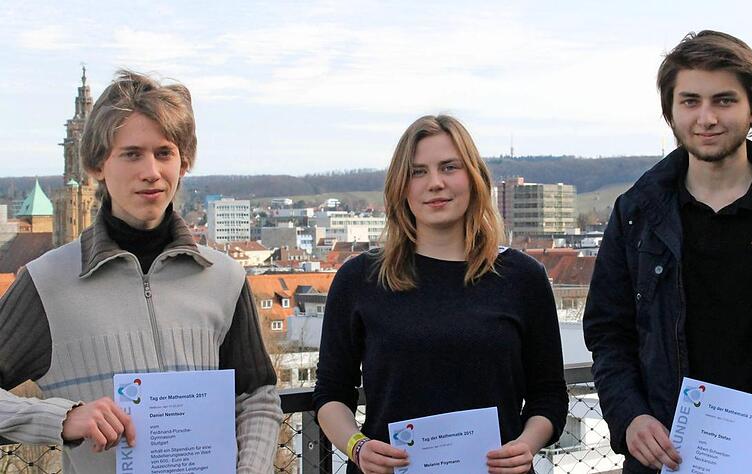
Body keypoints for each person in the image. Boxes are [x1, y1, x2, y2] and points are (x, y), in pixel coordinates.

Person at [0, 70, 282, 473]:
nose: (151, 171)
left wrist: (251, 469)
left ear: (183, 164)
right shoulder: (48, 283)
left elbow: (256, 395)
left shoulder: (224, 277)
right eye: (132, 154)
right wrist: (60, 419)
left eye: (164, 153)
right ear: (98, 165)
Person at [583, 30, 752, 474]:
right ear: (671, 112)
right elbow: (608, 334)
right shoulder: (636, 214)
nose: (706, 117)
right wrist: (630, 417)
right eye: (690, 100)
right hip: (666, 461)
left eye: (724, 100)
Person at [312, 114, 568, 474]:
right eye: (418, 172)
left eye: (449, 167)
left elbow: (550, 397)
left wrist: (526, 446)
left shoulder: (523, 278)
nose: (435, 183)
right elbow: (331, 394)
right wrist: (358, 447)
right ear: (401, 186)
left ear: (474, 178)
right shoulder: (359, 279)